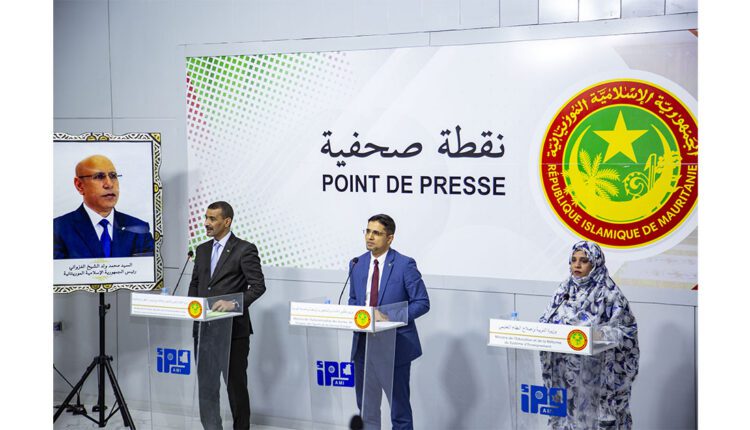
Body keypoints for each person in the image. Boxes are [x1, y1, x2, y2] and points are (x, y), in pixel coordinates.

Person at [539, 240, 640, 430]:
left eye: (584, 260)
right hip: (564, 374)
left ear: (595, 263)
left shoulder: (610, 294)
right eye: (573, 260)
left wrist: (596, 336)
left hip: (596, 377)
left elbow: (627, 332)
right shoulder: (563, 291)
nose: (576, 265)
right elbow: (546, 321)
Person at [188, 201, 266, 430]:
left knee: (235, 387)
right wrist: (192, 306)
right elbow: (195, 283)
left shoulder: (244, 249)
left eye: (212, 219)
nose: (206, 223)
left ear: (227, 221)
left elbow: (258, 286)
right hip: (204, 331)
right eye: (206, 218)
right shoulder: (201, 250)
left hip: (233, 333)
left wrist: (233, 303)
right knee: (207, 387)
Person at [348, 214, 430, 430]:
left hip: (394, 348)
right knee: (366, 410)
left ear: (390, 238)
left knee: (399, 412)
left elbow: (422, 302)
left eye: (376, 233)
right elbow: (354, 299)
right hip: (364, 347)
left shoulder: (404, 265)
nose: (370, 237)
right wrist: (355, 314)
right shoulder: (357, 263)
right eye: (367, 231)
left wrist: (389, 317)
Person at [53, 154, 154, 259]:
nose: (109, 184)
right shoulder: (57, 229)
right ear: (80, 185)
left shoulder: (139, 229)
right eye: (99, 177)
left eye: (113, 176)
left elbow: (147, 268)